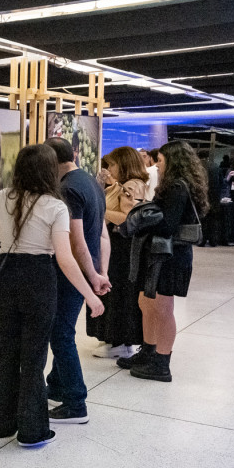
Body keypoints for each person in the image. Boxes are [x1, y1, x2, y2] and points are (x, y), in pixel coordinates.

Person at [0, 144, 104, 448]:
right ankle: (31, 430)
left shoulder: (2, 198)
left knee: (5, 352)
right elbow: (66, 260)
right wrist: (91, 295)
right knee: (33, 357)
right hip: (40, 279)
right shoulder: (55, 207)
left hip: (6, 278)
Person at [119, 140, 209, 382]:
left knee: (162, 307)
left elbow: (168, 225)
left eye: (160, 161)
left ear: (173, 161)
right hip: (162, 255)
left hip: (170, 256)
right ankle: (149, 351)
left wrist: (142, 211)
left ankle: (162, 361)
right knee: (146, 301)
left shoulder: (177, 187)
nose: (156, 166)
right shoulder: (175, 185)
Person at [43, 137, 110, 425]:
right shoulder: (91, 182)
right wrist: (100, 271)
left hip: (72, 273)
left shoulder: (68, 189)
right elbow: (103, 235)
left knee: (60, 334)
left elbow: (76, 241)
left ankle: (75, 401)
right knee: (63, 329)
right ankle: (57, 384)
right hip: (87, 270)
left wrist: (92, 275)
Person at [90, 146, 149, 360]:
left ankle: (121, 340)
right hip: (116, 244)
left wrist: (100, 211)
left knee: (119, 290)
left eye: (113, 164)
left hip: (122, 245)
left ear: (123, 164)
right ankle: (115, 337)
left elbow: (129, 217)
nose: (109, 168)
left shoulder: (133, 186)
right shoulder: (121, 185)